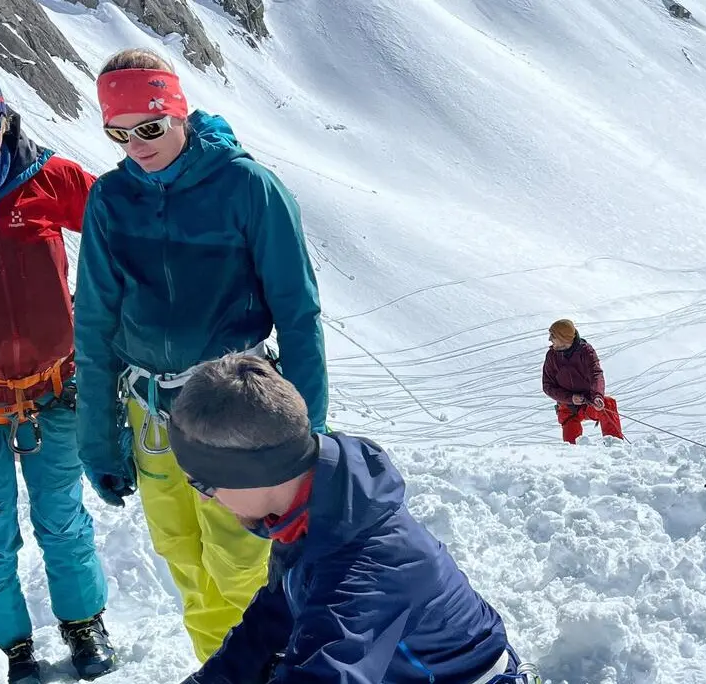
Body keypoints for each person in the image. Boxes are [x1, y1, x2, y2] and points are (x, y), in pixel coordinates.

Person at [73, 48, 330, 663]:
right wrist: (97, 440)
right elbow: (94, 322)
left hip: (233, 407)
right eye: (118, 132)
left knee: (243, 561)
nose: (136, 143)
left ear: (178, 113)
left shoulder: (248, 188)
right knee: (183, 556)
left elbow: (298, 314)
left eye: (150, 126)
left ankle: (278, 669)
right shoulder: (111, 198)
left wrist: (307, 432)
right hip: (151, 413)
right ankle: (222, 671)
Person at [167, 354, 541, 684]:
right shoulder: (320, 502)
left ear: (256, 473)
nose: (203, 497)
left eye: (204, 482)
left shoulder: (369, 566)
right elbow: (273, 620)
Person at [0, 55, 117, 682]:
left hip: (56, 388)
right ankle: (2, 644)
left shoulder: (49, 179)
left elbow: (125, 224)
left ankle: (83, 623)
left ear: (6, 120)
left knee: (62, 516)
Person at [542, 319, 625, 444]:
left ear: (563, 338)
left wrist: (597, 396)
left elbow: (596, 374)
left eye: (553, 335)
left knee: (607, 404)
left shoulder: (586, 351)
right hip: (567, 405)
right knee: (572, 444)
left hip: (589, 401)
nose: (549, 339)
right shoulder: (551, 356)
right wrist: (570, 398)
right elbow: (548, 386)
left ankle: (615, 446)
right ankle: (576, 456)